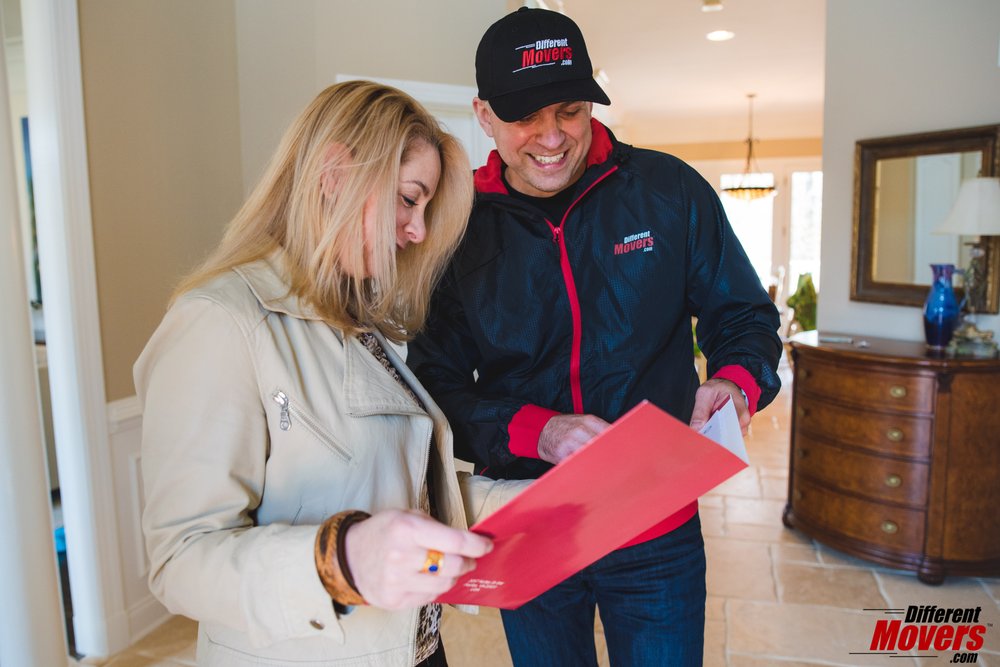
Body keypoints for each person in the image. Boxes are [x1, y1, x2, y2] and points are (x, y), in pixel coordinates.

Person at [408, 8, 783, 666]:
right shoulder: (457, 228)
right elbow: (433, 387)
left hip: (656, 522)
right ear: (484, 116)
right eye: (526, 116)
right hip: (531, 519)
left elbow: (745, 315)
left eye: (571, 110)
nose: (552, 136)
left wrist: (735, 380)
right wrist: (539, 432)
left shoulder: (669, 190)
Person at [135, 80, 504, 667]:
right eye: (409, 200)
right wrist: (342, 560)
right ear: (334, 174)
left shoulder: (359, 323)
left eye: (424, 209)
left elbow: (402, 488)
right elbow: (180, 560)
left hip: (412, 649)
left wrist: (534, 500)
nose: (418, 231)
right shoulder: (220, 320)